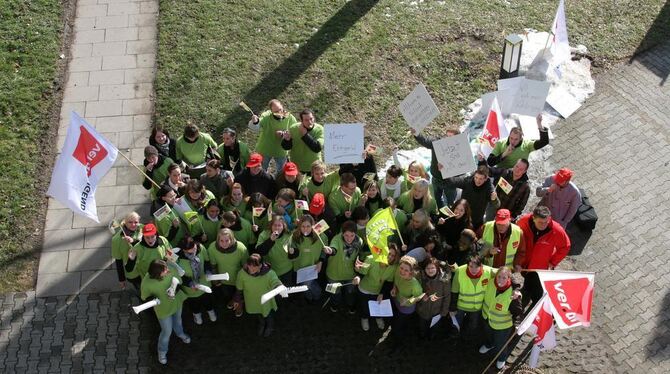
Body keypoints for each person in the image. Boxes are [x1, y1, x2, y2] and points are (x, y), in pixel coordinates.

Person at [516, 206, 570, 306]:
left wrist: (552, 262)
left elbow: (565, 246)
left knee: (536, 293)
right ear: (533, 218)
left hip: (539, 268)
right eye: (540, 222)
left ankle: (535, 310)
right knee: (528, 285)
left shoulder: (556, 230)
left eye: (546, 222)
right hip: (525, 264)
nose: (544, 225)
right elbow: (515, 235)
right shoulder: (524, 221)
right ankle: (524, 300)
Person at [140, 259, 190, 365]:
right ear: (157, 273)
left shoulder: (170, 270)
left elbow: (180, 282)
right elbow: (144, 297)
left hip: (176, 303)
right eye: (165, 270)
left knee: (178, 321)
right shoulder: (147, 283)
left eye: (166, 267)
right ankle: (162, 352)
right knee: (166, 331)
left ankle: (180, 333)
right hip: (163, 309)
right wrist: (154, 299)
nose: (168, 270)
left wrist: (174, 290)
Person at [479, 267, 524, 370]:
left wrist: (517, 323)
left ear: (509, 278)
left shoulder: (513, 294)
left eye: (504, 278)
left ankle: (502, 357)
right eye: (499, 276)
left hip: (502, 325)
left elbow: (518, 313)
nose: (500, 280)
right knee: (488, 335)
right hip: (487, 318)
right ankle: (489, 345)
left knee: (500, 343)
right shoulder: (490, 282)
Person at [233, 254, 284, 337]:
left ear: (260, 265)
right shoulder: (242, 273)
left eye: (254, 266)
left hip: (266, 300)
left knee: (268, 314)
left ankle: (270, 326)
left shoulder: (270, 273)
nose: (251, 268)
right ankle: (262, 324)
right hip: (252, 299)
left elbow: (275, 281)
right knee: (258, 313)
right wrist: (237, 300)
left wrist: (279, 287)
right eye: (249, 265)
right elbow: (239, 288)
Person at [352, 243, 399, 331]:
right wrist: (358, 277)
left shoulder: (393, 267)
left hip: (378, 291)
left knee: (377, 305)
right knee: (364, 307)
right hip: (365, 289)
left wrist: (382, 293)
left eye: (393, 255)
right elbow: (362, 273)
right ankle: (364, 318)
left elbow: (388, 282)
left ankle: (378, 317)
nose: (390, 257)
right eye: (389, 254)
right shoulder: (371, 259)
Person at [410, 127, 461, 207]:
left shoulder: (461, 149)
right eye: (447, 136)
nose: (448, 139)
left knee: (451, 202)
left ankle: (449, 217)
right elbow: (425, 141)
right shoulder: (438, 143)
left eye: (451, 137)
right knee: (436, 199)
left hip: (450, 182)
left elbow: (462, 170)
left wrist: (450, 173)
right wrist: (417, 134)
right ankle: (439, 212)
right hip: (436, 178)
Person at [248, 99, 297, 175]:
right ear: (271, 111)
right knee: (261, 171)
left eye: (280, 109)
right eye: (276, 112)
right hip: (265, 149)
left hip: (281, 150)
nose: (279, 113)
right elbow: (256, 128)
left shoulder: (290, 118)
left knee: (282, 172)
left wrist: (283, 134)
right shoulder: (266, 116)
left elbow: (295, 131)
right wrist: (255, 122)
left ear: (282, 106)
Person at [207, 228, 248, 317]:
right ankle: (233, 301)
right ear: (218, 240)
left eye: (227, 240)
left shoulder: (241, 248)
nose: (224, 243)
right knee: (227, 293)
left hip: (238, 278)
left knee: (240, 294)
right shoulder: (212, 248)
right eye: (221, 240)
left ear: (232, 239)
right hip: (223, 279)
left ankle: (239, 305)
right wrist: (216, 280)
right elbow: (213, 265)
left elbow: (245, 266)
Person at [449, 254, 493, 338]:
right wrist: (452, 307)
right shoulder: (459, 271)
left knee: (473, 325)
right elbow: (454, 291)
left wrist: (516, 288)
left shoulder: (488, 271)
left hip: (476, 307)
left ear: (481, 265)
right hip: (460, 306)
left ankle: (468, 337)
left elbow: (504, 272)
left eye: (476, 267)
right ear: (467, 265)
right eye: (471, 266)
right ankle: (455, 335)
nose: (473, 269)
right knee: (456, 323)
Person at [324, 221, 363, 313]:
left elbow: (360, 257)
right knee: (335, 293)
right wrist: (331, 251)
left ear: (355, 234)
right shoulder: (336, 239)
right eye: (346, 235)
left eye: (352, 235)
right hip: (334, 274)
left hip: (350, 274)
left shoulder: (360, 241)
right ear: (342, 233)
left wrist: (359, 273)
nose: (349, 238)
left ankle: (350, 305)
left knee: (350, 292)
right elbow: (334, 249)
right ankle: (335, 305)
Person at [176, 236, 216, 325]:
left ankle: (210, 311)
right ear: (183, 250)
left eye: (194, 247)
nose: (194, 251)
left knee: (208, 299)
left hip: (204, 283)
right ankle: (197, 314)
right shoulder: (176, 258)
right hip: (191, 288)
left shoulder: (200, 247)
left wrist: (208, 271)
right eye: (190, 251)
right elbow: (178, 275)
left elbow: (206, 261)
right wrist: (190, 283)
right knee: (194, 303)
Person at [289, 215, 328, 302]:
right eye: (303, 226)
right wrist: (291, 252)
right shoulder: (294, 236)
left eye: (308, 226)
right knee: (306, 285)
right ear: (299, 226)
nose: (305, 229)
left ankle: (316, 296)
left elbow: (323, 250)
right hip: (299, 267)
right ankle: (311, 297)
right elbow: (292, 251)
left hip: (313, 267)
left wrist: (321, 261)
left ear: (312, 226)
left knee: (308, 285)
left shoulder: (321, 236)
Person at [445, 165, 498, 230]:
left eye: (480, 179)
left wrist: (494, 199)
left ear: (486, 179)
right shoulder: (467, 181)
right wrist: (444, 171)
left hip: (476, 220)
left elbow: (497, 204)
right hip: (462, 217)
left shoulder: (489, 188)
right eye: (476, 177)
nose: (477, 181)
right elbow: (452, 182)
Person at [389, 255, 424, 352]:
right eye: (401, 268)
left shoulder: (414, 284)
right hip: (397, 300)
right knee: (395, 321)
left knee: (399, 327)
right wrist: (394, 288)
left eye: (406, 270)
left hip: (406, 308)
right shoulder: (398, 272)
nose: (402, 271)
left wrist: (409, 301)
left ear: (411, 272)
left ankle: (398, 344)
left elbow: (419, 296)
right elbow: (396, 282)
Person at [416, 257, 451, 339]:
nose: (430, 270)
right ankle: (423, 336)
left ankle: (433, 336)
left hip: (437, 312)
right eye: (427, 268)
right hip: (423, 310)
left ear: (437, 268)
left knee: (435, 327)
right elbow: (415, 292)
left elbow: (447, 297)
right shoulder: (420, 278)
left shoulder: (444, 280)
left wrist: (444, 312)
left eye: (432, 268)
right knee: (422, 326)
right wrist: (421, 297)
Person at [280, 109, 324, 174]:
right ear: (301, 121)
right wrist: (287, 140)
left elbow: (317, 148)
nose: (310, 122)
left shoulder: (320, 129)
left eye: (311, 119)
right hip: (297, 167)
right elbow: (286, 147)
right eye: (306, 120)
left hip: (314, 167)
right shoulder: (293, 128)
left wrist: (305, 135)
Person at [254, 216, 293, 285]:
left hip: (286, 270)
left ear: (283, 227)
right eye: (275, 225)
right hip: (270, 271)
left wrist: (293, 252)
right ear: (271, 226)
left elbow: (294, 253)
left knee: (286, 293)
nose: (277, 228)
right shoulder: (264, 234)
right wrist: (270, 240)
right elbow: (259, 252)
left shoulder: (288, 235)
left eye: (279, 225)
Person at [111, 212, 144, 290]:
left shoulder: (142, 228)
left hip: (145, 267)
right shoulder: (116, 240)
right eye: (130, 222)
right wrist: (121, 279)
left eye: (136, 222)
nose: (133, 225)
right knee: (140, 289)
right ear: (125, 222)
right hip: (133, 272)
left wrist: (133, 242)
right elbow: (118, 261)